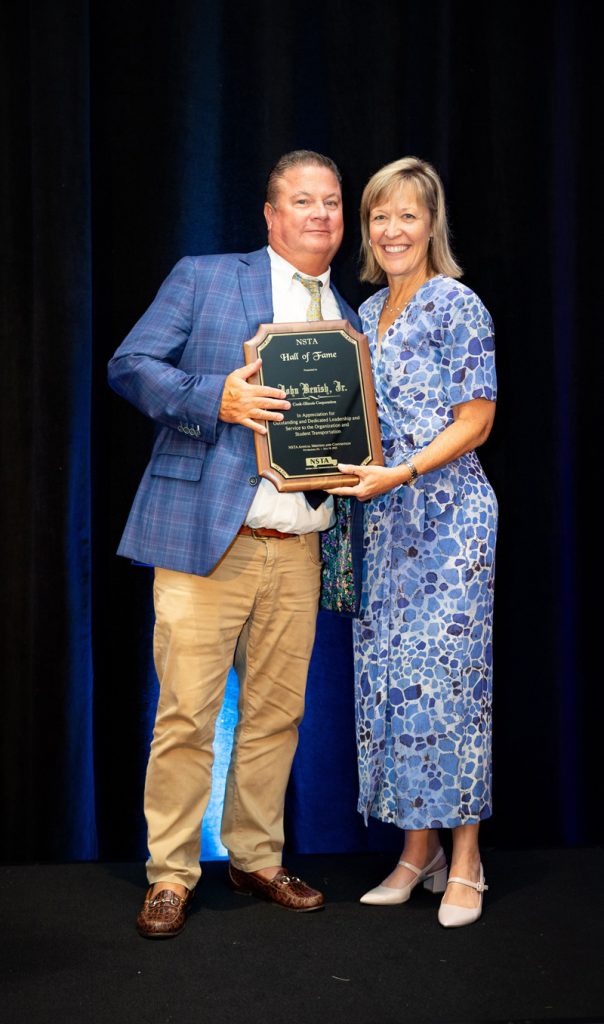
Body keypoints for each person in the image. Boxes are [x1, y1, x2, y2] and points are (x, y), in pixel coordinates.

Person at [108, 150, 361, 938]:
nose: (319, 215)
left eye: (331, 203)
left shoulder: (349, 318)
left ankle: (255, 857)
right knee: (186, 715)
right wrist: (212, 396)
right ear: (270, 213)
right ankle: (172, 873)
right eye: (303, 201)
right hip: (204, 542)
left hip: (299, 547)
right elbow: (130, 365)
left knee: (277, 716)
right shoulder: (206, 276)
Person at [328, 156, 497, 928]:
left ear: (432, 225)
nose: (392, 230)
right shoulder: (361, 316)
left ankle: (467, 860)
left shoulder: (455, 304)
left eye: (407, 216)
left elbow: (477, 419)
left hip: (449, 519)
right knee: (393, 688)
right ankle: (415, 850)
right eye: (378, 217)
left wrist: (401, 473)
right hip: (383, 526)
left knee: (451, 688)